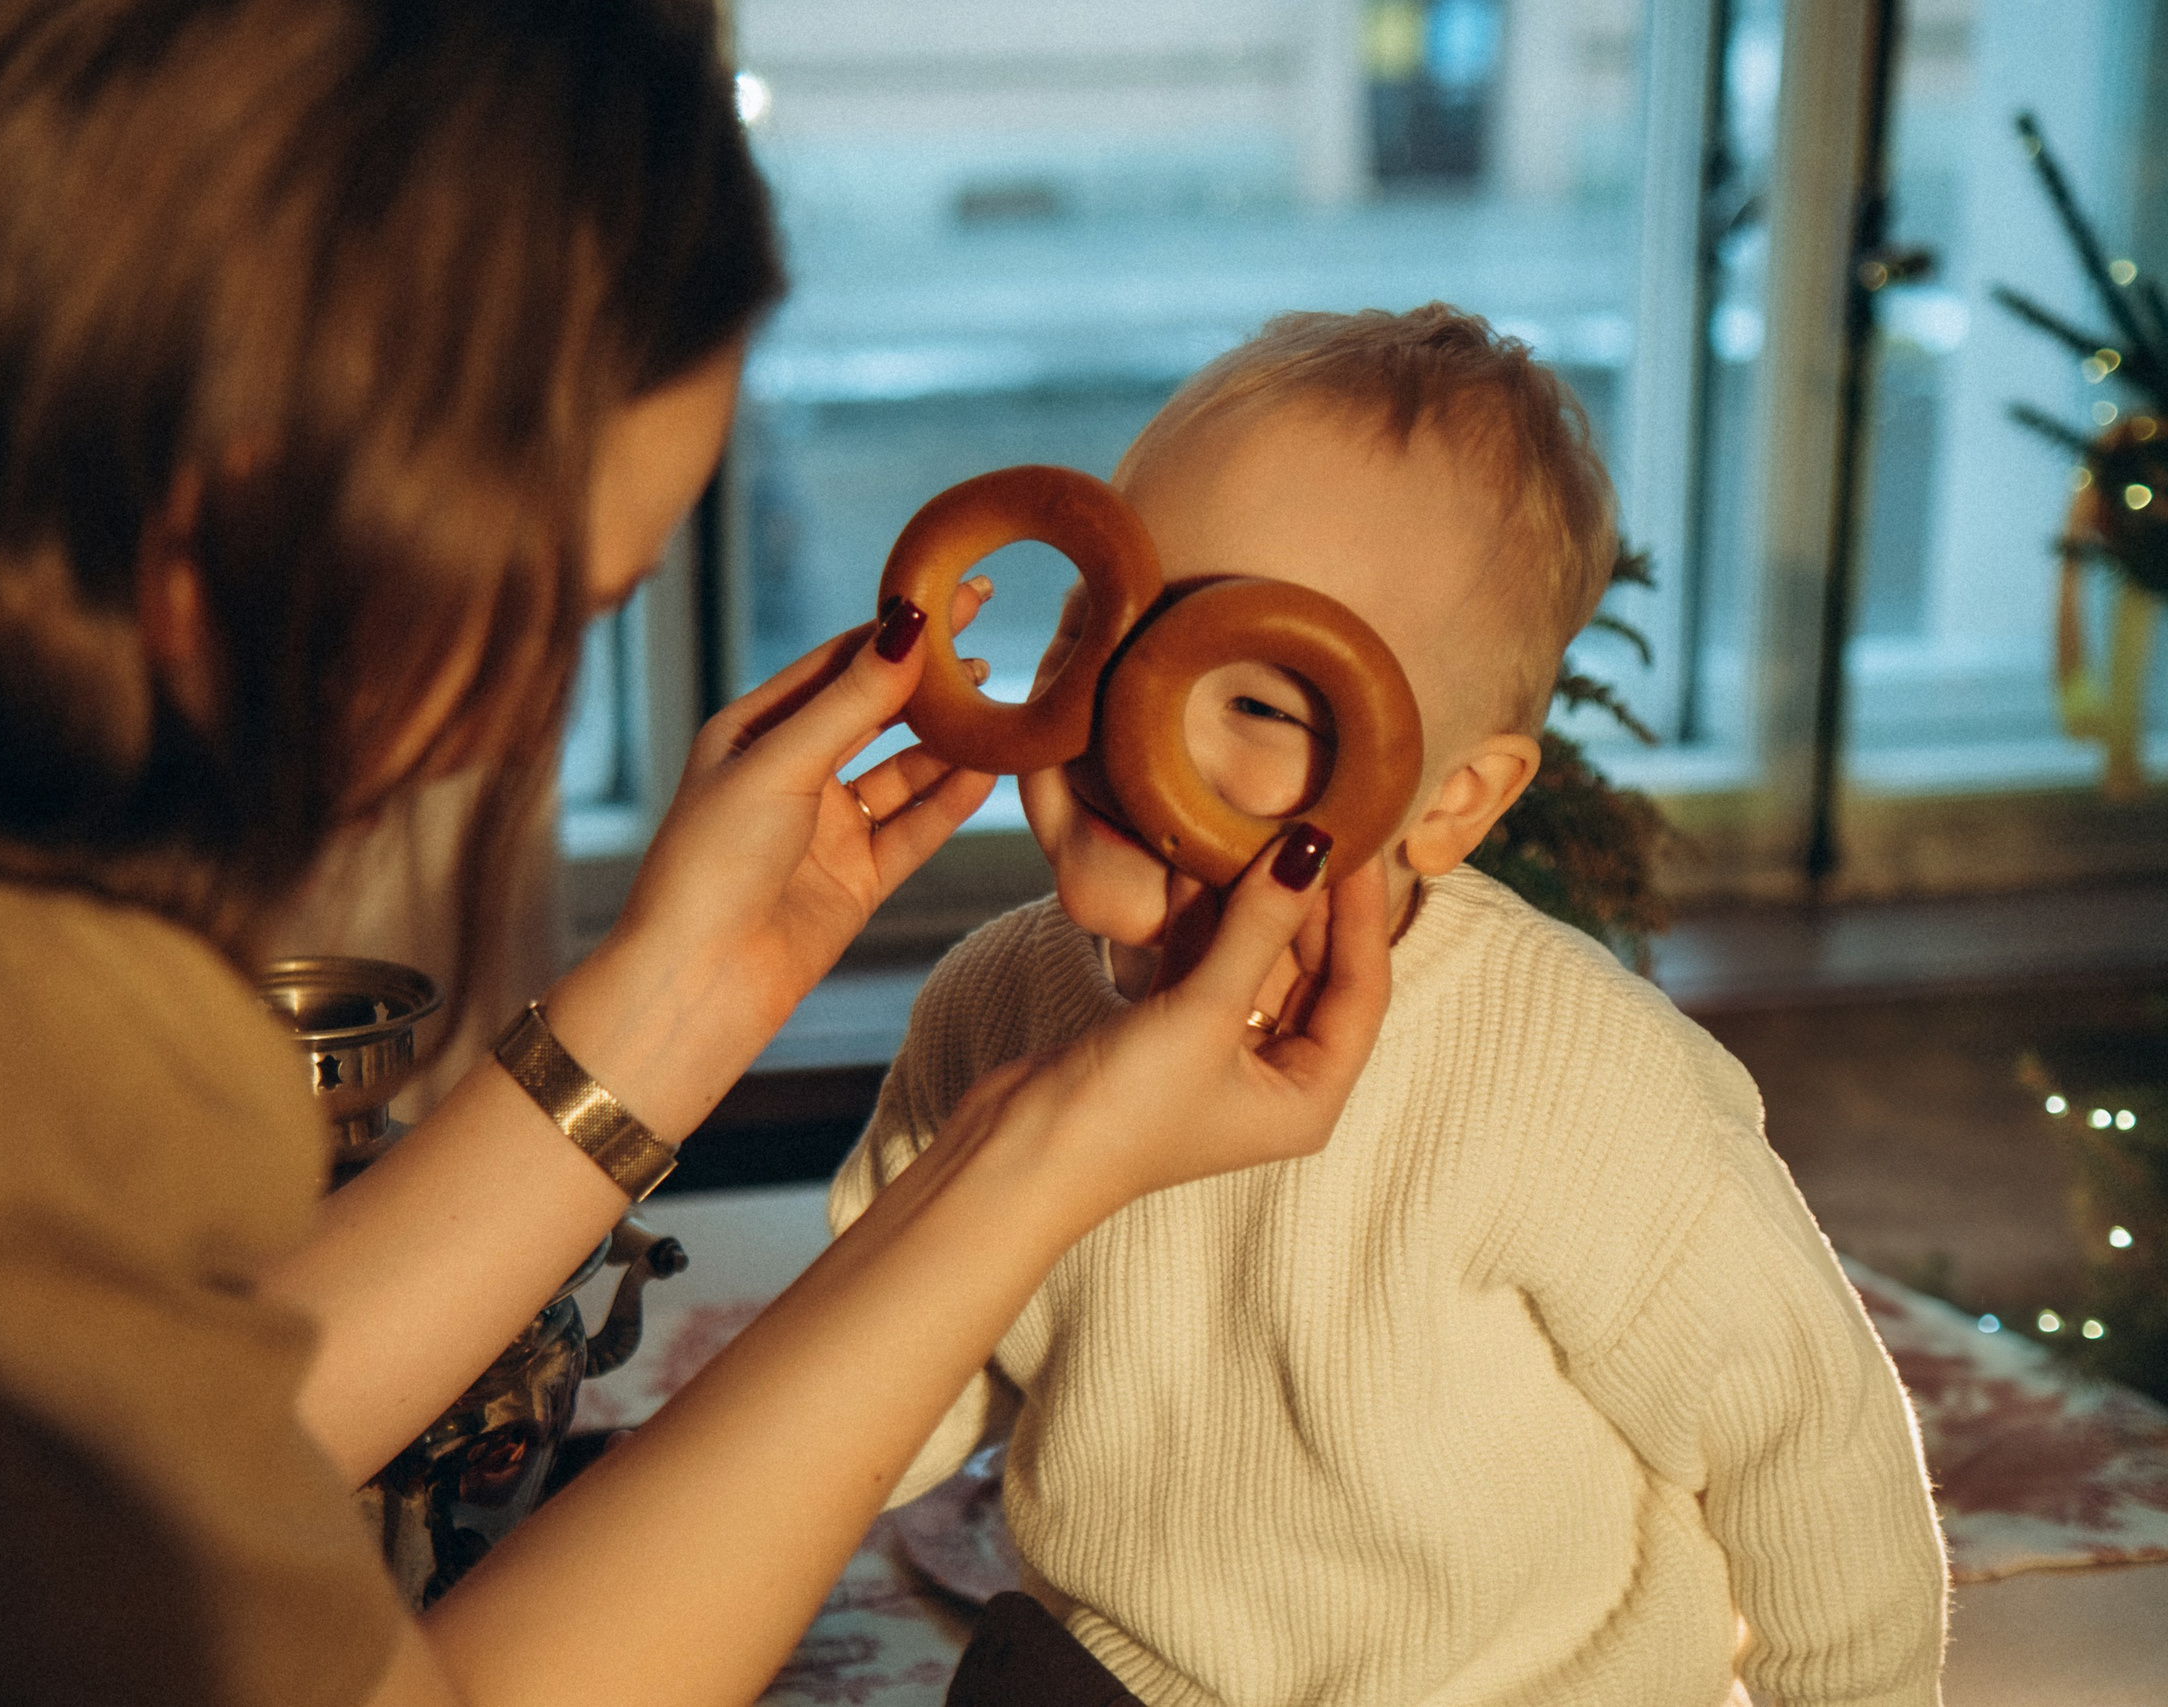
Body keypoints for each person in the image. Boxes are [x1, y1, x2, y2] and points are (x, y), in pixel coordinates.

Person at [0, 4, 1400, 1705]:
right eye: (552, 608)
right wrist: (1037, 1163)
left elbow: (177, 1448)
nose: (502, 725)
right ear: (252, 495)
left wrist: (687, 994)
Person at [831, 307, 1949, 1707]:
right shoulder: (989, 1008)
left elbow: (1807, 1444)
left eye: (1260, 703)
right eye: (1094, 632)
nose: (1128, 720)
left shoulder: (1578, 1078)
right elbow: (873, 1399)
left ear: (1452, 801)